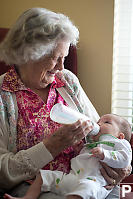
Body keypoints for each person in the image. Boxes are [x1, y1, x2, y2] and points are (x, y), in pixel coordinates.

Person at [0, 7, 130, 199]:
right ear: (28, 53)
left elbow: (99, 130)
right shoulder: (3, 94)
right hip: (39, 186)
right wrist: (53, 145)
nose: (62, 67)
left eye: (65, 58)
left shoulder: (67, 81)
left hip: (87, 179)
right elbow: (3, 172)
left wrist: (120, 167)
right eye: (56, 58)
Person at [4, 113, 132, 199]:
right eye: (98, 121)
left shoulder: (118, 144)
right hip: (72, 178)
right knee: (44, 176)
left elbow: (125, 159)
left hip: (93, 183)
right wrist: (79, 150)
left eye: (106, 122)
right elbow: (84, 160)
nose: (98, 124)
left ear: (120, 136)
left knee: (85, 190)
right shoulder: (93, 143)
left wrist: (106, 155)